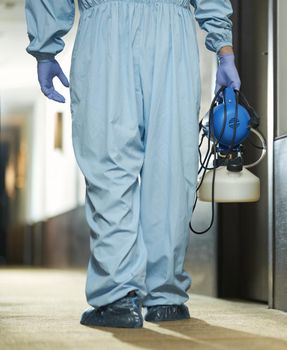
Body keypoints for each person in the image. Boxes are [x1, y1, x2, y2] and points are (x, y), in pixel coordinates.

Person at [25, 0, 241, 328]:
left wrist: (45, 47)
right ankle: (165, 295)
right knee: (170, 166)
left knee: (109, 162)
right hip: (173, 33)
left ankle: (117, 297)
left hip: (106, 30)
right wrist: (224, 48)